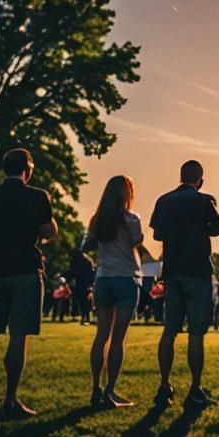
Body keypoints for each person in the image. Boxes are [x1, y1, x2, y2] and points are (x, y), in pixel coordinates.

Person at [0, 148, 57, 416]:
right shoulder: (38, 196)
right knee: (18, 336)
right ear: (27, 170)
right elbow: (49, 230)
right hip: (26, 269)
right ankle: (10, 400)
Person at [149, 160, 219, 408]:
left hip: (172, 270)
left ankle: (163, 384)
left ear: (181, 177)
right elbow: (217, 230)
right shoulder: (204, 201)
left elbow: (157, 234)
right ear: (200, 180)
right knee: (195, 333)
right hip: (198, 271)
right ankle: (194, 388)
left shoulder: (164, 200)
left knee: (169, 331)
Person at [82, 174, 144, 407]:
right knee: (118, 339)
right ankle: (110, 390)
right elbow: (135, 243)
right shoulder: (131, 218)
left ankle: (95, 387)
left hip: (104, 278)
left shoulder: (96, 220)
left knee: (101, 336)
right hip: (125, 277)